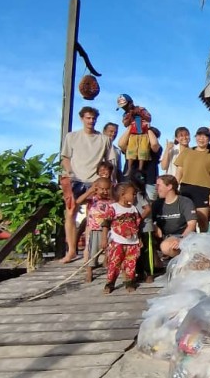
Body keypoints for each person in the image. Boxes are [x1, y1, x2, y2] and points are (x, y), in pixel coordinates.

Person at [60, 106, 113, 263]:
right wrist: (70, 173)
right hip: (76, 179)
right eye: (88, 118)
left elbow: (110, 162)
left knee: (93, 216)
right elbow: (66, 158)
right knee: (70, 213)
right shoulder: (72, 137)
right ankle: (71, 251)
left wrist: (110, 182)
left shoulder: (104, 139)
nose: (91, 121)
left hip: (95, 181)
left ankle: (90, 253)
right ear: (82, 118)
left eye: (93, 118)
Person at [173, 127, 210, 232]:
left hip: (203, 190)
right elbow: (179, 172)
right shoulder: (186, 152)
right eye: (199, 135)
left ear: (209, 139)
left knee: (203, 221)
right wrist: (174, 189)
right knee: (186, 221)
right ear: (195, 137)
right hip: (186, 189)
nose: (201, 138)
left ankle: (204, 247)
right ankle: (187, 246)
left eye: (205, 136)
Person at [104, 183, 148, 294]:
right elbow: (106, 223)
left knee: (131, 263)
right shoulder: (113, 207)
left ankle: (130, 282)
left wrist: (139, 239)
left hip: (132, 242)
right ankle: (110, 283)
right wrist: (103, 238)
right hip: (118, 241)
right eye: (132, 194)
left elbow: (136, 225)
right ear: (123, 195)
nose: (134, 196)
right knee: (115, 263)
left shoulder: (133, 209)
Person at [74, 177, 113, 283]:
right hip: (95, 230)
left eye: (107, 189)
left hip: (109, 230)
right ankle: (89, 272)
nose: (105, 192)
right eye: (102, 189)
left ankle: (107, 264)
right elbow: (78, 201)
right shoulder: (93, 198)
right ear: (97, 188)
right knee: (92, 252)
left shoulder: (112, 200)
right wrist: (90, 191)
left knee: (110, 251)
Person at [153, 175, 198, 259]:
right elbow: (150, 221)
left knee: (165, 246)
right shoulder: (157, 204)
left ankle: (184, 258)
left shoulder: (185, 202)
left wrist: (181, 239)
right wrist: (154, 227)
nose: (156, 188)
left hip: (181, 236)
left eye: (159, 185)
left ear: (169, 186)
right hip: (163, 236)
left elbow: (192, 225)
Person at [118, 125, 161, 201]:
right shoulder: (131, 146)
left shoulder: (157, 148)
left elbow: (154, 144)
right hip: (129, 180)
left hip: (149, 182)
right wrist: (131, 127)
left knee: (148, 207)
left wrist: (147, 129)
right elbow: (121, 144)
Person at [118, 94, 152, 175]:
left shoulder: (141, 109)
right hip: (133, 134)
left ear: (130, 103)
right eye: (123, 107)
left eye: (125, 106)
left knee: (143, 151)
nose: (124, 108)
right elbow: (125, 124)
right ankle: (129, 168)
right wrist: (130, 115)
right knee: (131, 151)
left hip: (144, 134)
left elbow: (149, 118)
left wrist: (139, 113)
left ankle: (140, 169)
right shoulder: (126, 114)